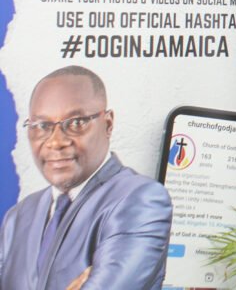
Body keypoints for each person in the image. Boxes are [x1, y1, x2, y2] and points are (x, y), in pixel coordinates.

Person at [0, 66, 172, 290]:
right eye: (42, 126)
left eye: (76, 123)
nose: (56, 141)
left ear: (108, 124)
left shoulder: (141, 200)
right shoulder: (18, 216)